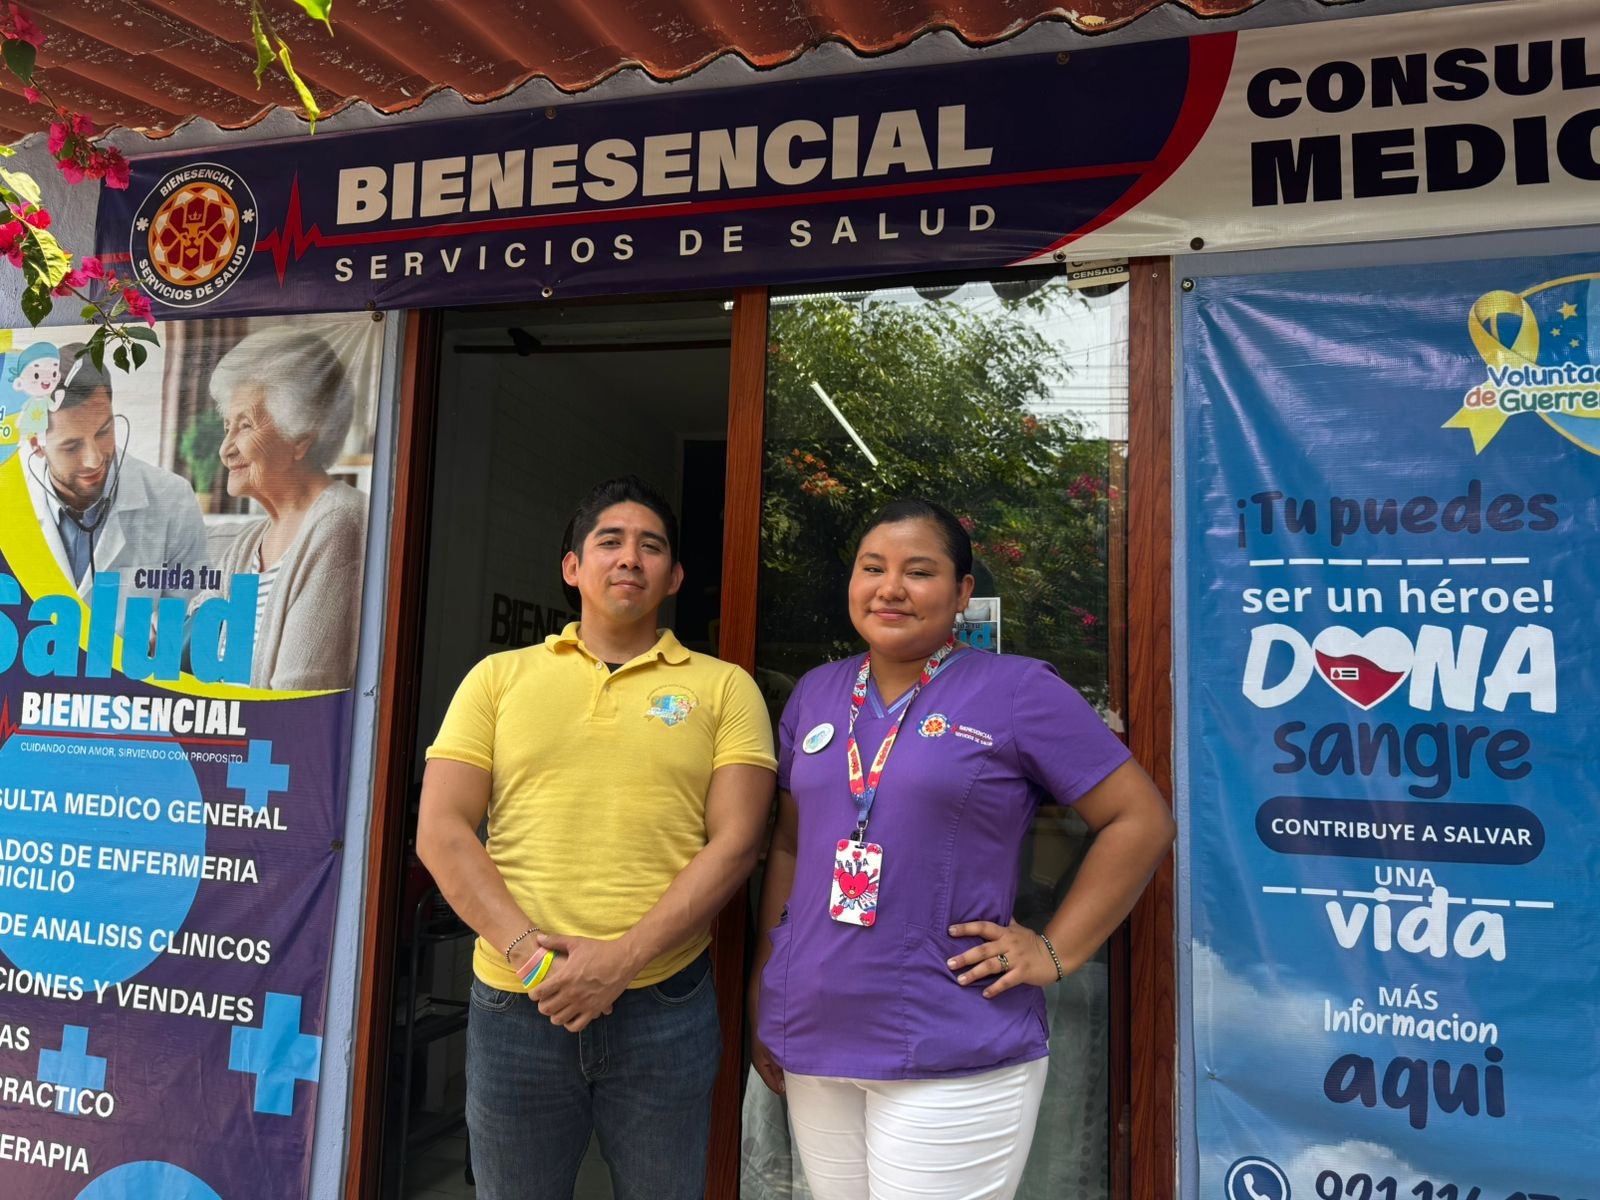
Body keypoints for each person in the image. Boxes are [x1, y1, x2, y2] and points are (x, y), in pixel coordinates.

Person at [749, 498, 1175, 1200]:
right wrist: (770, 987)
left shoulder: (1016, 691)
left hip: (951, 1036)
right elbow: (791, 847)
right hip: (816, 1030)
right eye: (872, 568)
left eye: (919, 572)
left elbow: (1140, 820)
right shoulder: (817, 695)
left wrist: (1056, 949)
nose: (890, 588)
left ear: (961, 592)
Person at [416, 476, 778, 1200]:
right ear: (572, 566)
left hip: (664, 1005)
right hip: (518, 1003)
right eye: (609, 542)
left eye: (651, 547)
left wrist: (621, 961)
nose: (629, 558)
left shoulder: (724, 688)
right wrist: (533, 962)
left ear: (675, 577)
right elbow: (441, 831)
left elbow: (737, 842)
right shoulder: (498, 679)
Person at [206, 328, 366, 690]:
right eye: (228, 427)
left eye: (245, 426)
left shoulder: (341, 524)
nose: (225, 449)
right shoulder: (248, 544)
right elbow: (196, 624)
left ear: (300, 440)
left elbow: (298, 697)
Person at [23, 343, 209, 611]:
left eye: (103, 432)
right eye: (72, 446)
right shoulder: (10, 507)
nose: (94, 460)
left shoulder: (173, 499)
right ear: (36, 444)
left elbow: (192, 615)